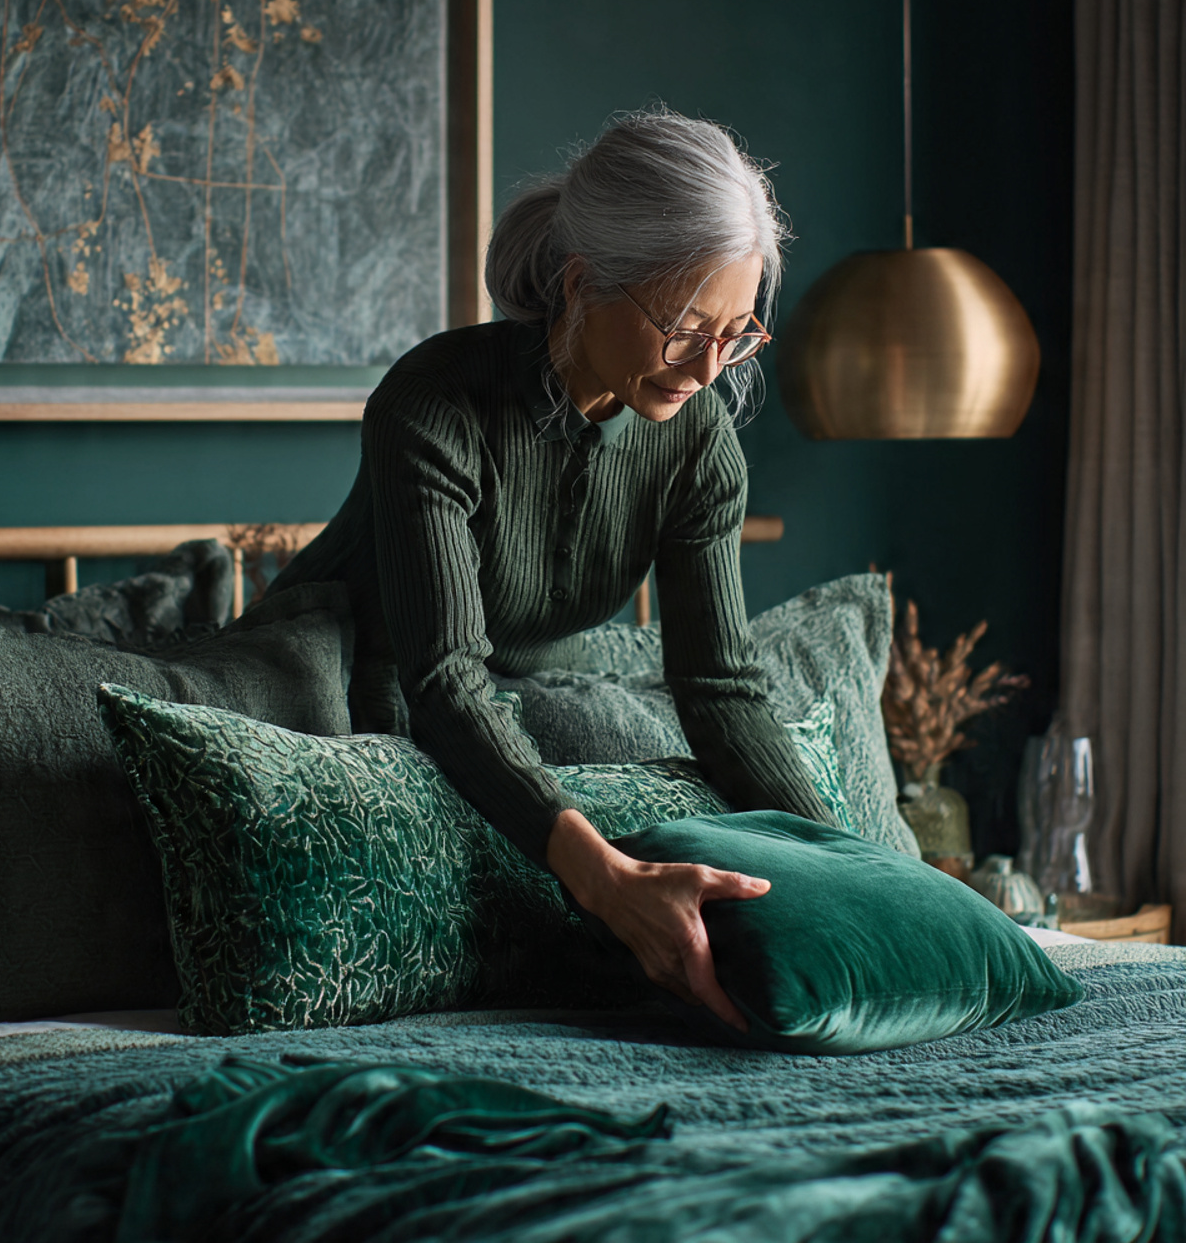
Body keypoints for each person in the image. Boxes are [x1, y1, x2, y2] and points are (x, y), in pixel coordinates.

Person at [271, 108, 834, 1031]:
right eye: (687, 326)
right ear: (582, 283)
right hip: (312, 680)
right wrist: (609, 879)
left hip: (490, 697)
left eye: (737, 334)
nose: (709, 367)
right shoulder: (435, 403)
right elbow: (445, 678)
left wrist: (858, 867)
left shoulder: (698, 448)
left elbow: (721, 688)